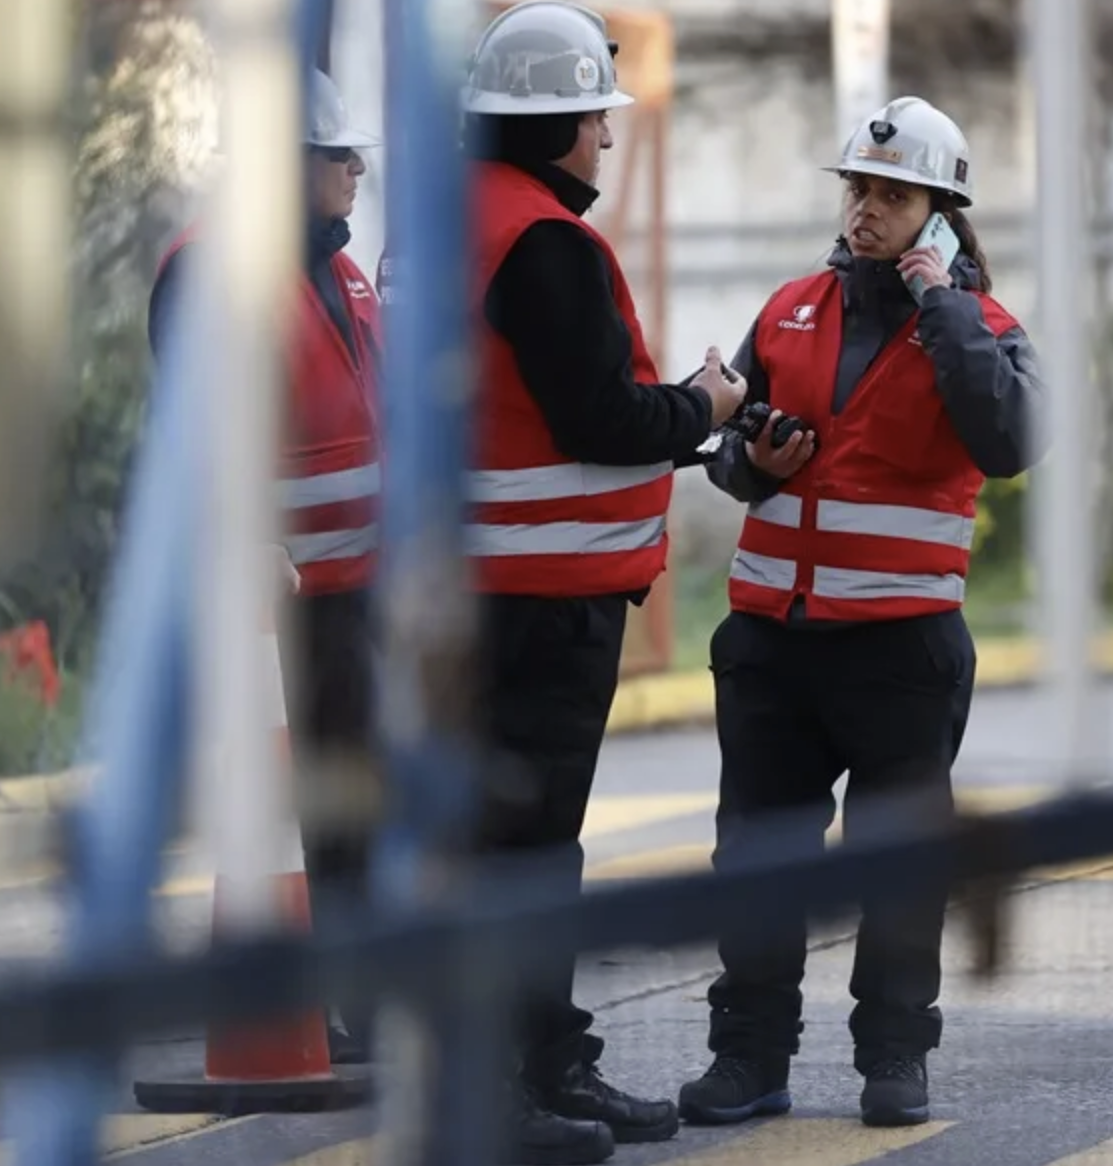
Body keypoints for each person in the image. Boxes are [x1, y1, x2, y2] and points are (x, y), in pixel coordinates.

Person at [675, 96, 1047, 1131]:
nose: (864, 211)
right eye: (857, 190)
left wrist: (943, 303)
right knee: (754, 856)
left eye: (891, 195)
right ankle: (746, 1056)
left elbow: (1010, 438)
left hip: (898, 650)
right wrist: (754, 457)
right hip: (770, 642)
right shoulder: (791, 307)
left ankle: (893, 1058)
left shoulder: (984, 330)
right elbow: (730, 449)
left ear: (940, 211)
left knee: (898, 865)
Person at [456, 3, 746, 1163]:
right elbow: (602, 417)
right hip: (538, 605)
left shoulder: (442, 226)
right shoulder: (542, 242)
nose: (609, 141)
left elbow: (531, 411)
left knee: (502, 844)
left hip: (478, 597)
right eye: (596, 119)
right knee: (524, 851)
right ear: (555, 122)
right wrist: (708, 407)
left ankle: (536, 1062)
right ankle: (510, 1085)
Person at [148, 68, 384, 1066]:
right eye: (338, 157)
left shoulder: (337, 264)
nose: (357, 171)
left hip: (349, 598)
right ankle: (291, 1003)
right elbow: (196, 431)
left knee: (349, 808)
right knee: (285, 813)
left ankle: (356, 998)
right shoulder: (212, 268)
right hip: (270, 600)